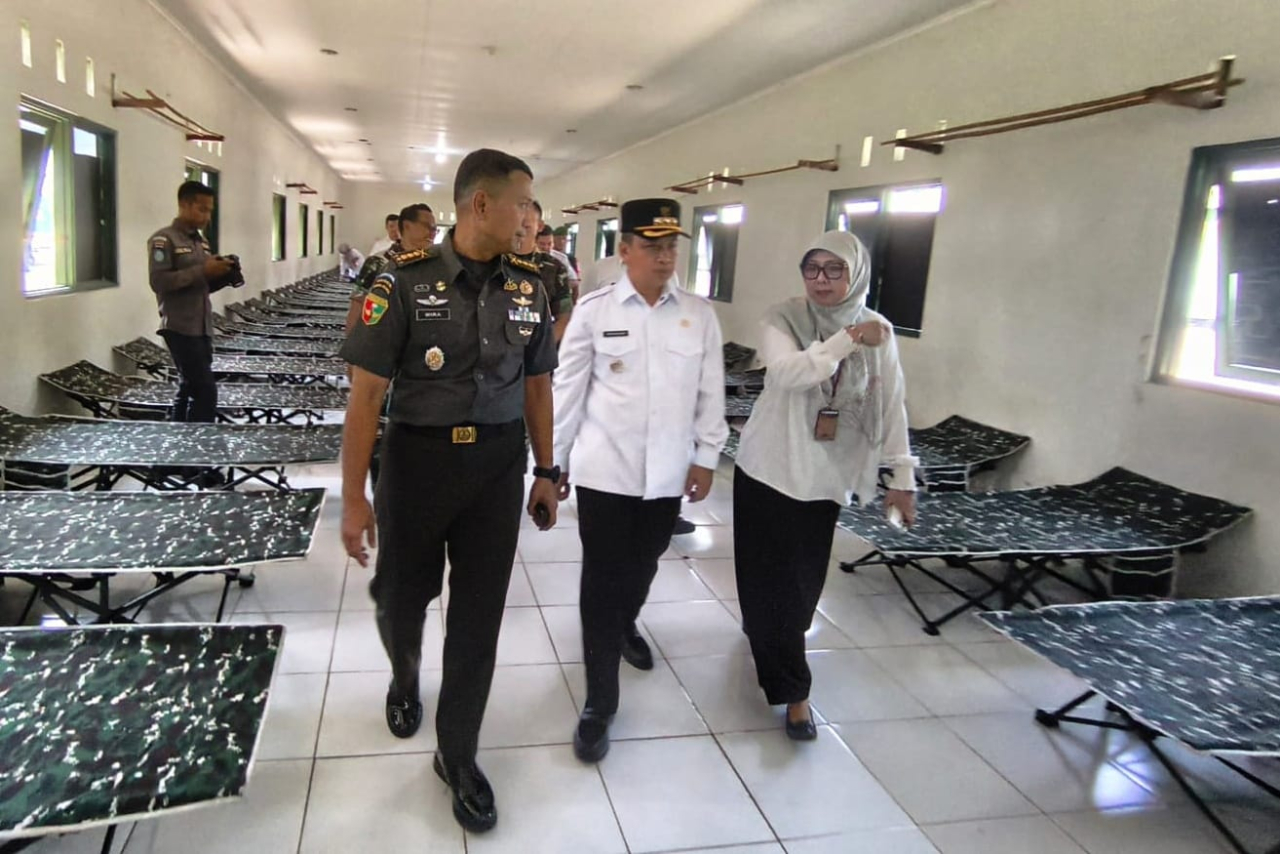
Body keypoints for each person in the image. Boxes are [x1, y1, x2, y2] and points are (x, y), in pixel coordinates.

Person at [339, 149, 559, 834]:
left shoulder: (530, 288)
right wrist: (354, 498)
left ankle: (457, 753)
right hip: (416, 463)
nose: (530, 216)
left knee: (478, 618)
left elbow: (537, 386)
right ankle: (404, 675)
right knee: (400, 599)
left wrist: (547, 471)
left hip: (496, 468)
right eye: (522, 202)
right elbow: (365, 396)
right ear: (481, 204)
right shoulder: (401, 281)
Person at [552, 198, 727, 763]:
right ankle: (599, 701)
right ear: (624, 250)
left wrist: (707, 456)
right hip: (605, 472)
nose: (665, 256)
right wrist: (552, 463)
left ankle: (625, 623)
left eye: (672, 246)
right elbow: (568, 391)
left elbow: (710, 392)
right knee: (601, 581)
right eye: (653, 246)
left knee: (645, 563)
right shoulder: (594, 310)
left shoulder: (698, 315)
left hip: (668, 474)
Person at [732, 230, 917, 741]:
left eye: (835, 269)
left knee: (800, 586)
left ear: (856, 274)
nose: (821, 280)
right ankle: (795, 694)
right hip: (768, 469)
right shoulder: (784, 317)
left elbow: (891, 403)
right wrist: (849, 339)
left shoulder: (879, 329)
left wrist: (902, 477)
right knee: (766, 580)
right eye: (812, 269)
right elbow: (789, 374)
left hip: (825, 478)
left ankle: (774, 642)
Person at [148, 180, 237, 423]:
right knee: (206, 392)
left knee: (188, 386)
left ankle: (179, 439)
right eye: (202, 209)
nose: (207, 216)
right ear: (184, 205)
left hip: (202, 326)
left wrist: (224, 276)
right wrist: (203, 271)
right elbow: (158, 282)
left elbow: (201, 286)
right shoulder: (163, 240)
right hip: (179, 327)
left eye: (210, 211)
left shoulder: (202, 242)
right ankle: (202, 442)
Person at [345, 204, 436, 335]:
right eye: (428, 227)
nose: (432, 233)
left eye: (435, 229)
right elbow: (358, 307)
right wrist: (353, 343)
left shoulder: (436, 263)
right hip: (385, 336)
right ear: (407, 226)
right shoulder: (378, 262)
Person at [514, 206, 574, 343]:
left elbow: (564, 316)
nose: (519, 231)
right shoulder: (495, 262)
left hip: (539, 340)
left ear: (539, 226)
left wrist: (544, 347)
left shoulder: (554, 268)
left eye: (526, 225)